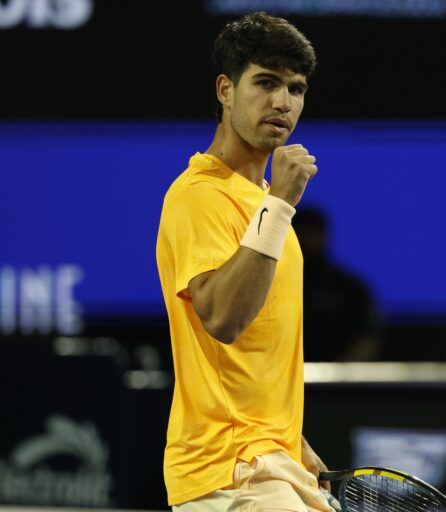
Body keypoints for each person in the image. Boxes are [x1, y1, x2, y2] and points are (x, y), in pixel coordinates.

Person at [155, 12, 336, 512]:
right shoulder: (199, 195)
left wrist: (290, 440)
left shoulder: (259, 204)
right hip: (233, 472)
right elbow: (223, 319)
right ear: (225, 90)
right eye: (266, 83)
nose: (283, 102)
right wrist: (279, 203)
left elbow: (255, 356)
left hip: (267, 463)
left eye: (296, 89)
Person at [292, 207, 381, 361]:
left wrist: (342, 375)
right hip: (282, 376)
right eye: (303, 231)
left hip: (339, 380)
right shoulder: (271, 284)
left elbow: (367, 338)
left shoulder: (351, 288)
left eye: (313, 232)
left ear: (325, 235)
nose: (308, 239)